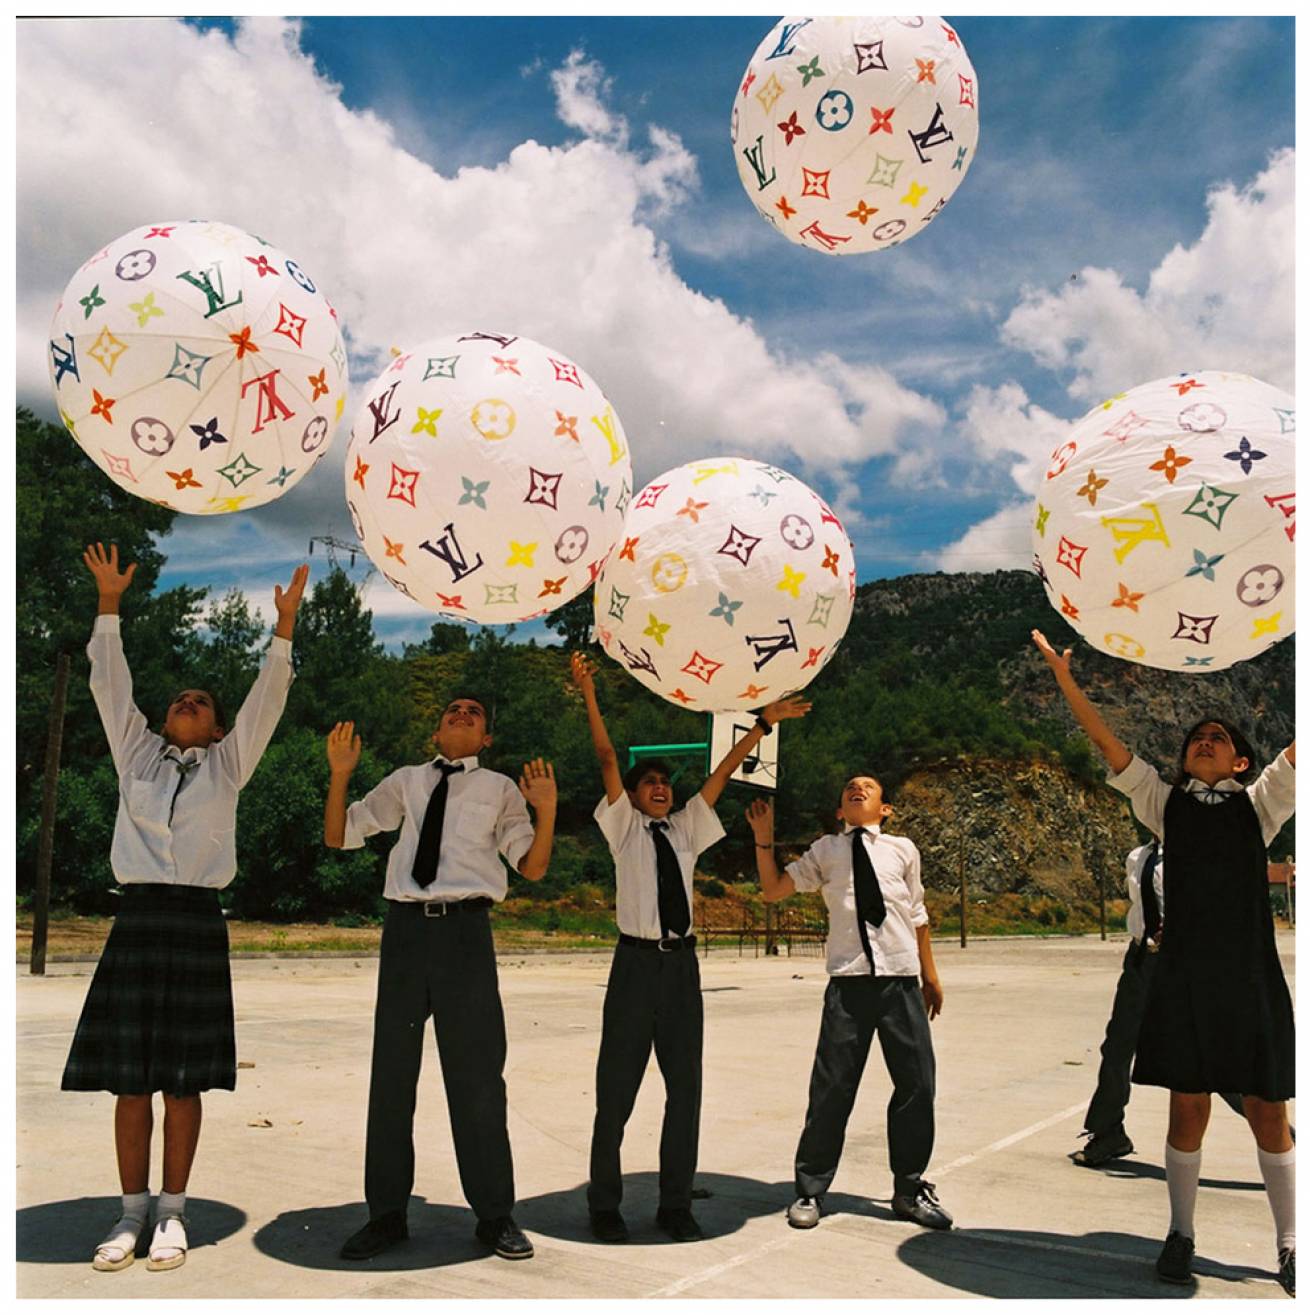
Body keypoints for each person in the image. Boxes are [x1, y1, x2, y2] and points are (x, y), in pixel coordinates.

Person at [63, 543, 306, 1273]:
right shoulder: (137, 755)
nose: (188, 702)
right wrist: (109, 604)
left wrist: (284, 632)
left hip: (196, 921)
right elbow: (111, 686)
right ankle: (130, 1210)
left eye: (203, 701)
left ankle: (173, 1212)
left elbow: (267, 699)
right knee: (131, 1077)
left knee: (183, 1079)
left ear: (220, 729)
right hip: (138, 922)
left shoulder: (229, 765)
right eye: (180, 699)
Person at [1033, 629, 1295, 1296]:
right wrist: (1066, 679)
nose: (1205, 739)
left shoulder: (1262, 804)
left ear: (1240, 762)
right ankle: (1180, 1233)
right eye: (1195, 736)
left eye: (1219, 736)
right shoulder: (1162, 803)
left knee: (1269, 1111)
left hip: (1250, 978)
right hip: (1185, 977)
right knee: (1189, 1108)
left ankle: (1291, 1241)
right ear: (1183, 760)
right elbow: (1106, 740)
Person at [570, 652, 810, 1244]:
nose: (661, 786)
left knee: (685, 1090)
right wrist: (588, 694)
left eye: (665, 783)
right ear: (630, 795)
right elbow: (605, 756)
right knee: (615, 1092)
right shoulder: (624, 827)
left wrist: (762, 724)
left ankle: (675, 1203)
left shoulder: (684, 830)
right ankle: (605, 1205)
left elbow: (719, 778)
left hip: (682, 969)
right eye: (650, 781)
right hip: (633, 965)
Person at [325, 696, 557, 1263]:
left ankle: (495, 1214)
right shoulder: (406, 780)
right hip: (405, 934)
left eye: (475, 713)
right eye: (453, 709)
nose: (461, 714)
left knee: (478, 1081)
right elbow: (341, 835)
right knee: (392, 1079)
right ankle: (385, 1214)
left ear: (486, 741)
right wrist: (340, 776)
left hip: (465, 937)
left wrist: (546, 811)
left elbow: (531, 867)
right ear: (436, 728)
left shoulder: (500, 789)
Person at [746, 776, 951, 1234]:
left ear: (886, 809)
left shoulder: (903, 849)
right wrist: (764, 842)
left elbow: (916, 915)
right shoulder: (827, 851)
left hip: (900, 981)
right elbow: (774, 889)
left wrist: (930, 974)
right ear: (841, 810)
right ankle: (810, 1189)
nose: (857, 788)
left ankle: (909, 1187)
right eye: (849, 788)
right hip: (849, 984)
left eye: (869, 787)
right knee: (832, 1089)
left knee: (918, 1084)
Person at [1073, 841, 1246, 1168]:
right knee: (1117, 1047)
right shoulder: (1138, 857)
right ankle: (1108, 1132)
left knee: (1209, 1060)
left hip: (1185, 965)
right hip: (1141, 960)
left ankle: (1282, 1138)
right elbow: (1142, 908)